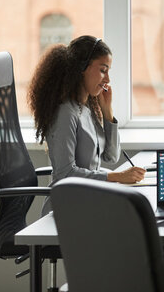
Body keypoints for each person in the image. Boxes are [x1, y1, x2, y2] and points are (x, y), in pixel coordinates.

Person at [28, 35, 145, 214]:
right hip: (67, 210)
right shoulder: (65, 112)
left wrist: (107, 113)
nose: (107, 80)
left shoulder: (87, 108)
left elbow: (111, 157)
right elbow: (65, 174)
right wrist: (117, 177)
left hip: (88, 201)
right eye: (103, 70)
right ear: (81, 68)